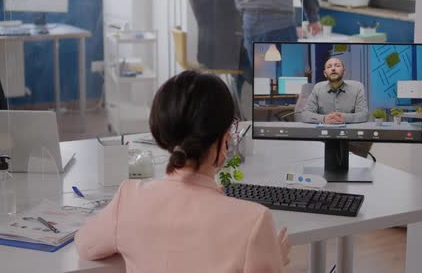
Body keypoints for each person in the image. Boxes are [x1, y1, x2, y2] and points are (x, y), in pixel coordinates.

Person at [75, 71, 291, 272]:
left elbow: (85, 245)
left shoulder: (128, 199)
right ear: (225, 137)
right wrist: (274, 260)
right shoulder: (254, 220)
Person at [297, 57, 369, 124]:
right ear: (325, 73)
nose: (333, 69)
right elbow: (305, 114)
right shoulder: (318, 88)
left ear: (344, 72)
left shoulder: (357, 87)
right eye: (329, 67)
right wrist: (324, 119)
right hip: (324, 133)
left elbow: (364, 114)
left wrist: (345, 118)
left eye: (337, 66)